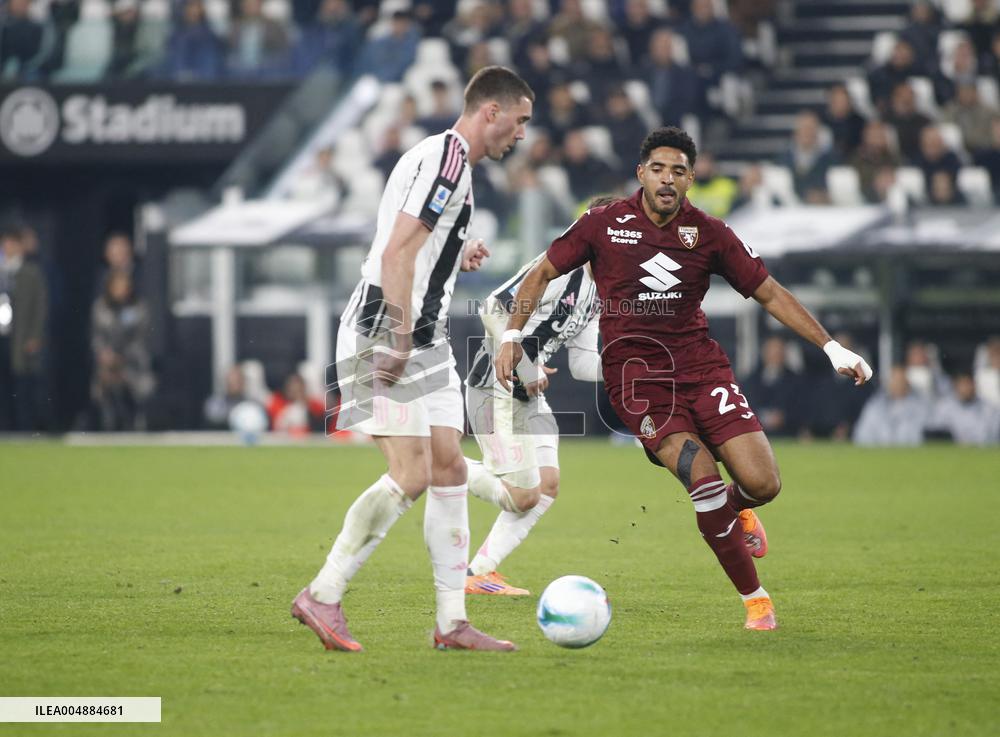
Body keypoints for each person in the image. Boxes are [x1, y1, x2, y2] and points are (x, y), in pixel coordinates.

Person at [495, 126, 873, 631]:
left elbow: (769, 292)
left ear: (691, 178)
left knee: (763, 483)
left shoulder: (710, 233)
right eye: (658, 169)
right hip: (637, 379)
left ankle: (737, 510)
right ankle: (756, 601)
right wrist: (510, 337)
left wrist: (831, 347)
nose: (667, 179)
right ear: (641, 174)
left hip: (701, 367)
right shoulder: (603, 224)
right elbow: (540, 272)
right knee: (703, 479)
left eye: (678, 171)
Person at [291, 66, 534, 653]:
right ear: (490, 112)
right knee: (412, 473)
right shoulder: (448, 161)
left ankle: (452, 624)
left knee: (449, 467)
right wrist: (398, 338)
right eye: (520, 121)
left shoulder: (446, 164)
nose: (522, 135)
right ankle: (323, 594)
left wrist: (458, 251)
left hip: (428, 338)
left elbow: (414, 244)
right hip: (386, 328)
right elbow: (398, 252)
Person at [463, 195, 611, 596]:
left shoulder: (601, 292)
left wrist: (628, 372)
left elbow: (582, 363)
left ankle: (478, 572)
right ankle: (436, 466)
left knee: (547, 485)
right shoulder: (560, 271)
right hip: (493, 386)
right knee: (523, 496)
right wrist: (527, 367)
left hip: (527, 394)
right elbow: (493, 307)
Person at [89, 271, 154, 431]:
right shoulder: (100, 308)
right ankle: (108, 426)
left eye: (124, 287)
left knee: (134, 388)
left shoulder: (139, 308)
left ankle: (133, 425)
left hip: (133, 366)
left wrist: (122, 358)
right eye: (117, 287)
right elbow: (96, 337)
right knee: (105, 384)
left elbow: (141, 339)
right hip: (107, 366)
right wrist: (105, 354)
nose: (121, 290)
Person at [0, 227, 48, 432]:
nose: (8, 247)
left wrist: (35, 335)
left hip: (21, 337)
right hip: (3, 333)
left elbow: (40, 305)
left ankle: (25, 430)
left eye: (12, 243)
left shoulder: (31, 272)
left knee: (22, 386)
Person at [853, 366, 930, 446]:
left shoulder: (920, 407)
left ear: (907, 383)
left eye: (900, 381)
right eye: (894, 380)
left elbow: (924, 436)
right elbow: (862, 435)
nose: (897, 384)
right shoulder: (875, 407)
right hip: (879, 454)